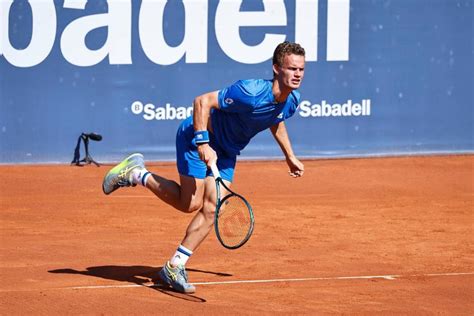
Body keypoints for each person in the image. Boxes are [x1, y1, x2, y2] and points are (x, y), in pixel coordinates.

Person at [102, 41, 306, 294]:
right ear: (276, 68)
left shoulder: (292, 101)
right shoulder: (251, 91)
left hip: (228, 151)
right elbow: (202, 102)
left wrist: (289, 155)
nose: (297, 74)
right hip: (197, 136)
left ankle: (174, 266)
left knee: (213, 208)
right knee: (190, 204)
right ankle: (136, 173)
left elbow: (276, 119)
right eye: (291, 68)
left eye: (301, 69)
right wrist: (203, 142)